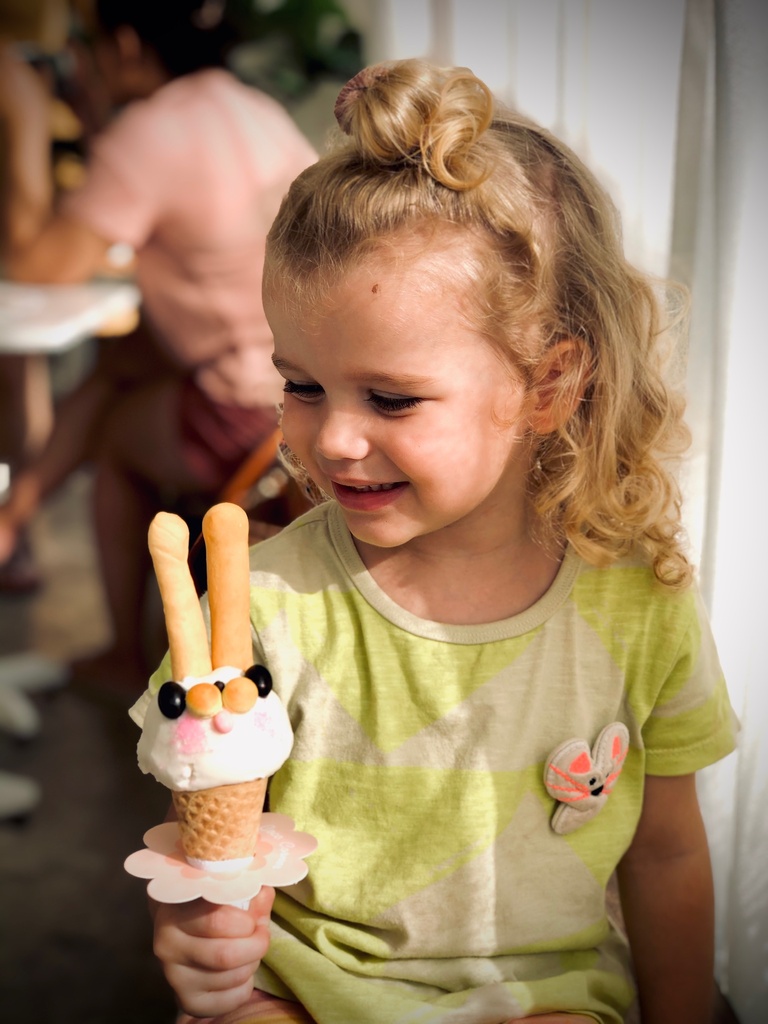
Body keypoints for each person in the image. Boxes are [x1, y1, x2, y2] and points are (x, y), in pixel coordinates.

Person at [133, 59, 738, 1024]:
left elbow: (666, 850)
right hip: (305, 996)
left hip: (546, 999)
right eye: (301, 384)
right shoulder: (263, 611)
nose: (331, 438)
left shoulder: (641, 602)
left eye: (391, 397)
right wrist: (200, 938)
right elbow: (206, 832)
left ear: (546, 384)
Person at [0, 0, 316, 688]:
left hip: (252, 413)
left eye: (89, 43)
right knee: (120, 365)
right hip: (305, 382)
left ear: (127, 43)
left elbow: (33, 263)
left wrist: (24, 116)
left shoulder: (153, 130)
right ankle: (11, 521)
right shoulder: (253, 108)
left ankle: (120, 655)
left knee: (113, 433)